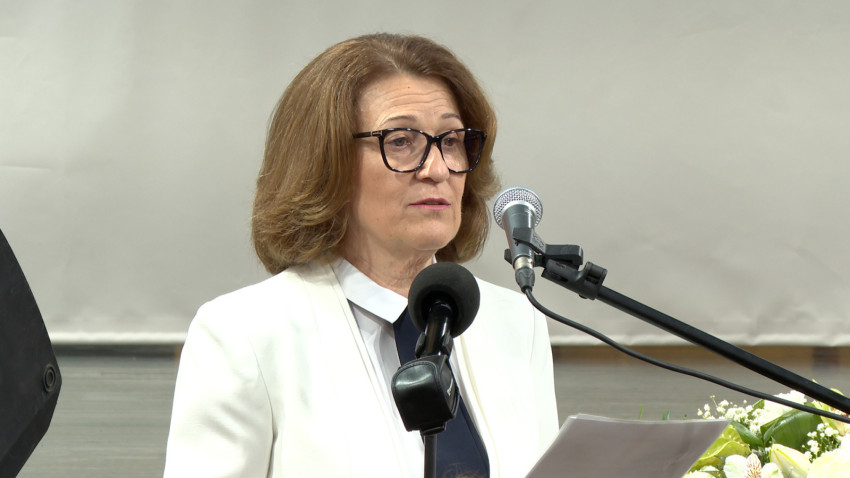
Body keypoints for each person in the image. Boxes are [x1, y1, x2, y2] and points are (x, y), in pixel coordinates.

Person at [163, 33, 558, 478]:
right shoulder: (244, 336)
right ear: (324, 162)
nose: (437, 169)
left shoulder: (514, 323)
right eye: (401, 141)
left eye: (450, 140)